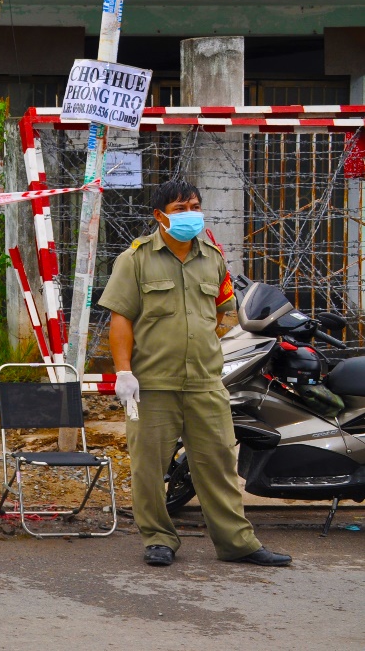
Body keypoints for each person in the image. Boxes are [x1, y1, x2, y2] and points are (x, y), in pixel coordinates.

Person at [98, 177, 290, 568]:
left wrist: (202, 340)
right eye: (180, 209)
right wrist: (123, 372)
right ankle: (158, 538)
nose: (190, 215)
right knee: (150, 468)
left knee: (218, 464)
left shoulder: (212, 258)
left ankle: (236, 543)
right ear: (160, 216)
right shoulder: (135, 259)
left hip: (205, 382)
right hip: (152, 385)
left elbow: (224, 311)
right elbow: (121, 320)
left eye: (195, 207)